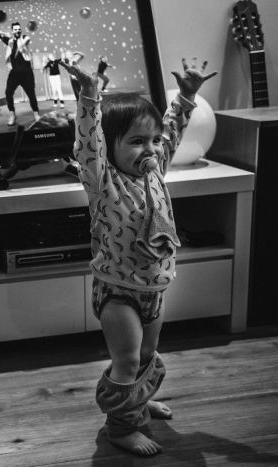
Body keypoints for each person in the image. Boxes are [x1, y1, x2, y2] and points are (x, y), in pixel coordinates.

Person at [60, 57, 216, 456]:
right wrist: (90, 97)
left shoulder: (153, 171)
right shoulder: (102, 180)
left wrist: (186, 96)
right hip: (117, 292)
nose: (150, 149)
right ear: (109, 148)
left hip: (154, 287)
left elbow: (172, 131)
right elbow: (88, 143)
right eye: (135, 141)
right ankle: (121, 427)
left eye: (153, 141)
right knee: (127, 361)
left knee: (147, 355)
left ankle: (137, 403)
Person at [0, 22, 39, 126]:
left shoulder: (24, 37)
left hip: (27, 73)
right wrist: (5, 34)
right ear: (12, 31)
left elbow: (27, 40)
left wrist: (20, 44)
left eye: (19, 29)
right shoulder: (9, 42)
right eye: (15, 29)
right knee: (8, 93)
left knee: (31, 95)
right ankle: (12, 114)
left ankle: (36, 114)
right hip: (14, 74)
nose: (17, 31)